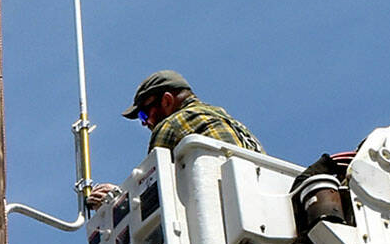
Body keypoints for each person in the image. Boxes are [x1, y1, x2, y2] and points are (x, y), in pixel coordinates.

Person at [86, 69, 262, 209]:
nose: (145, 122)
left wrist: (115, 200)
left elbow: (153, 195)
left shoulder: (173, 123)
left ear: (167, 101)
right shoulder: (228, 122)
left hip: (220, 211)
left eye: (143, 114)